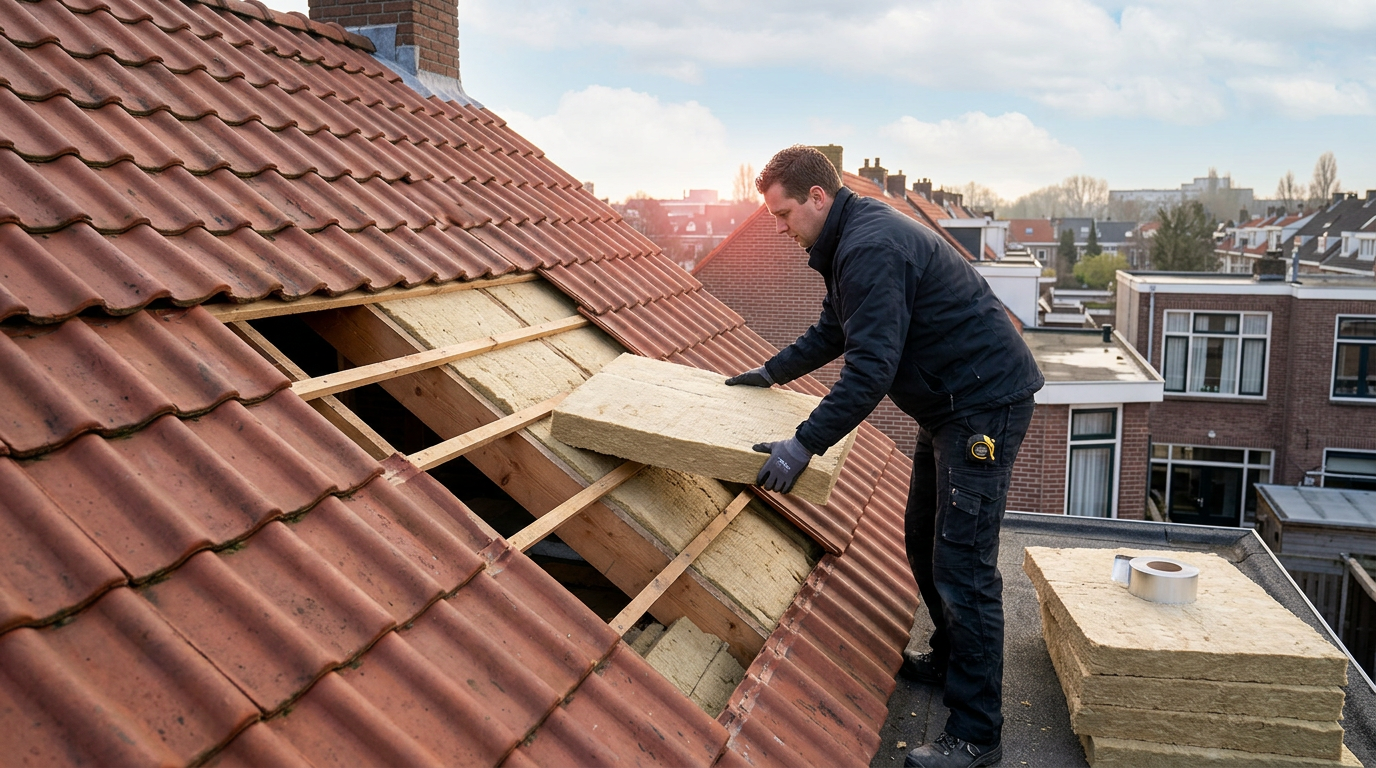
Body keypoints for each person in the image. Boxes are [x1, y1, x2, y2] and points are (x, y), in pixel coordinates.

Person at [727, 146, 1043, 768]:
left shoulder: (869, 245)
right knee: (922, 536)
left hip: (981, 407)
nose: (781, 229)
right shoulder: (848, 240)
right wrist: (770, 372)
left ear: (819, 196)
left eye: (784, 214)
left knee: (964, 565)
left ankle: (977, 736)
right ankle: (953, 660)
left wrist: (804, 444)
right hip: (948, 405)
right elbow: (835, 331)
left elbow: (870, 370)